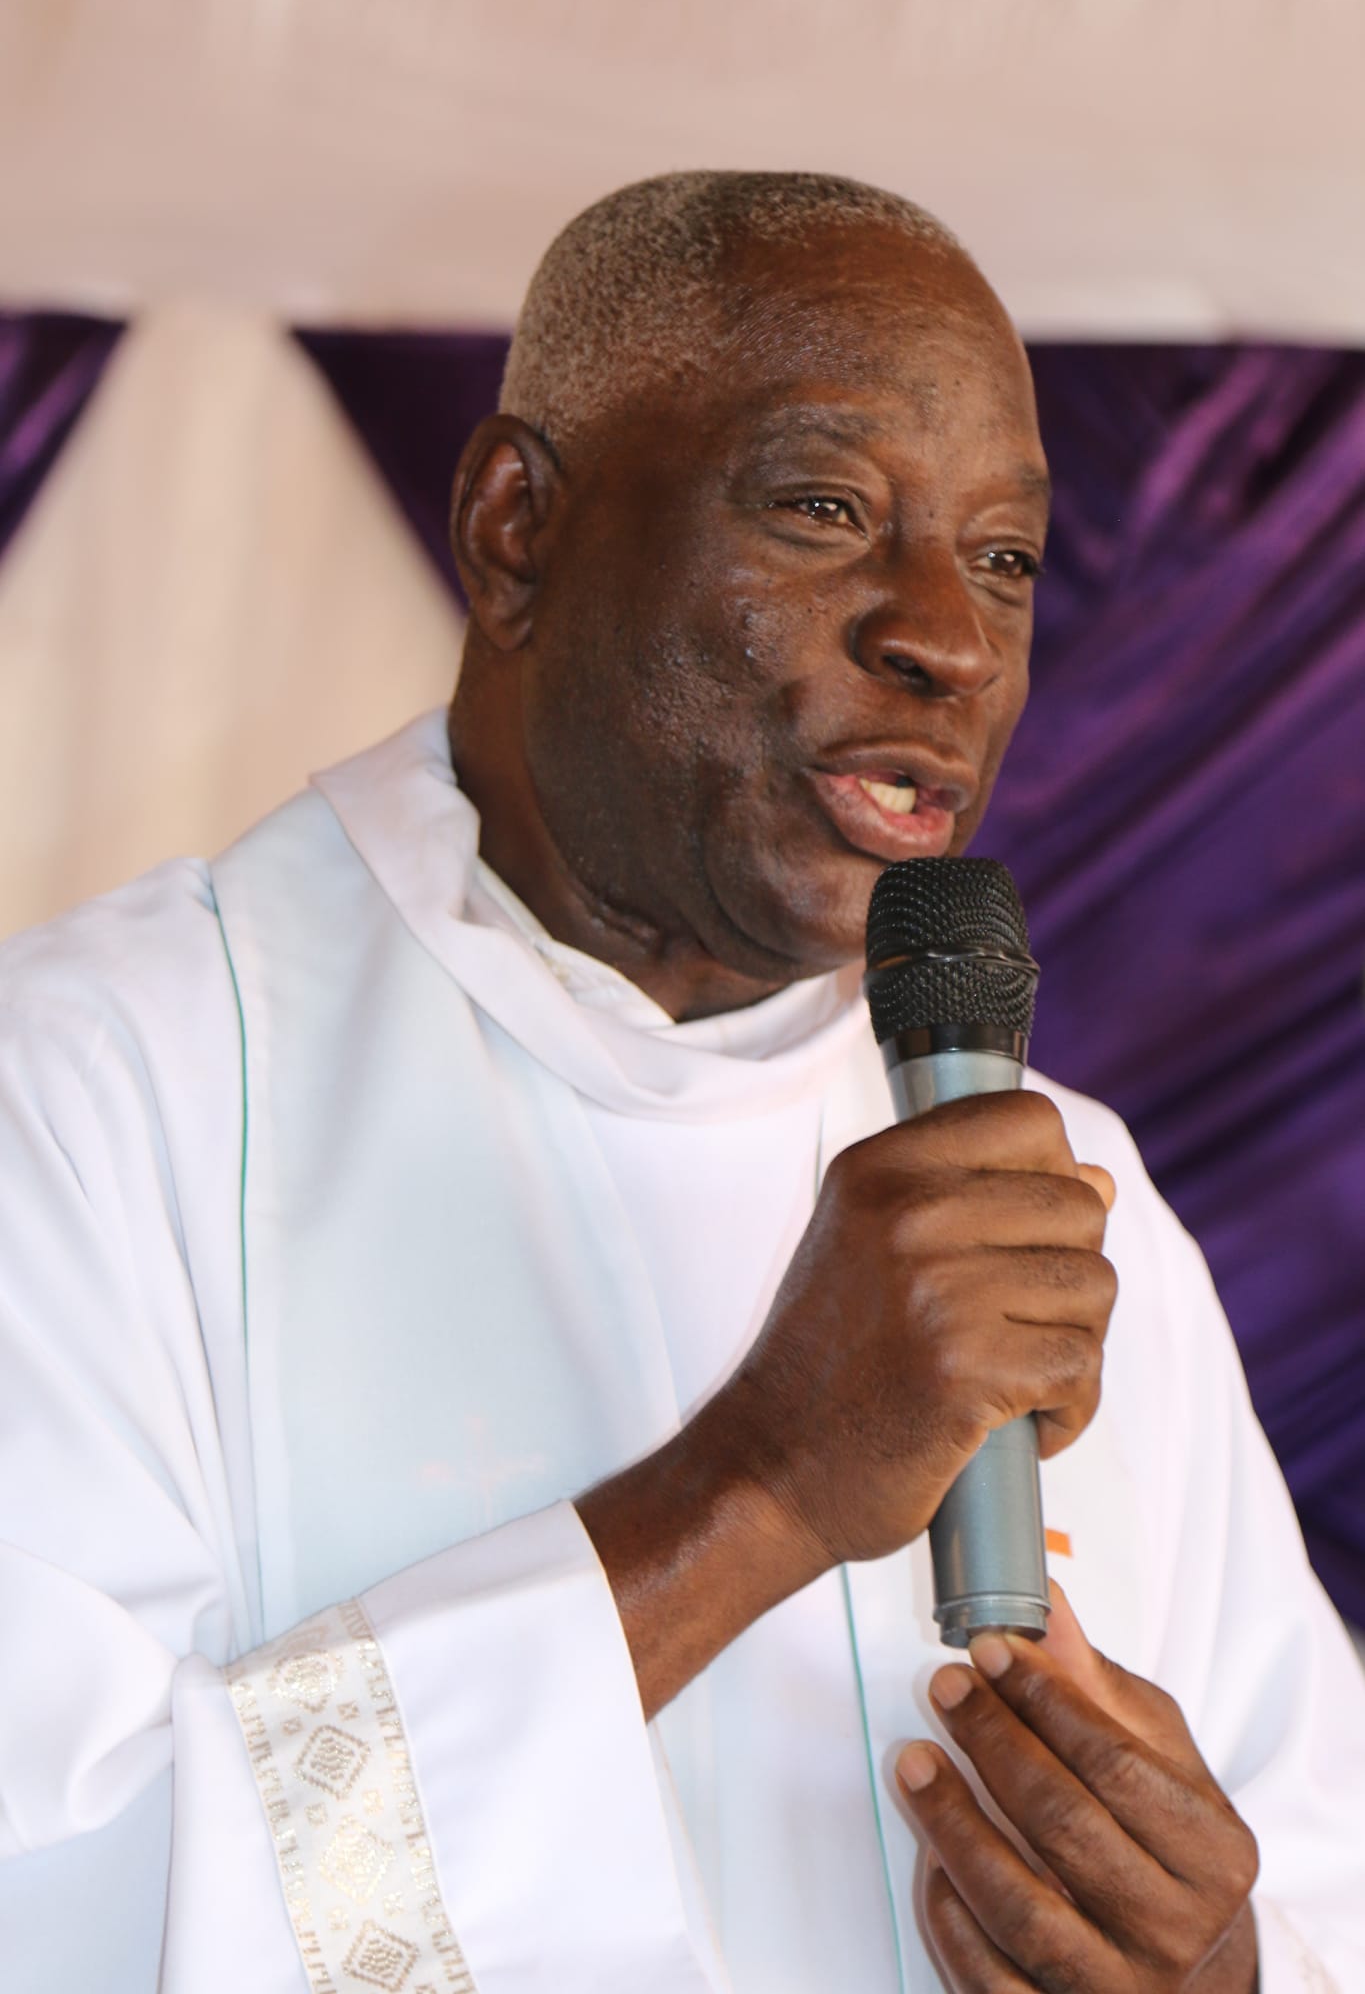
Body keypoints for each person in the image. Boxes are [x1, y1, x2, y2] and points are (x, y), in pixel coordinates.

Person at [1, 171, 1362, 1994]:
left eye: (1006, 559)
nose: (948, 640)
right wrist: (762, 1489)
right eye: (824, 509)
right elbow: (59, 1897)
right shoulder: (95, 1093)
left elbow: (1319, 1871)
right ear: (514, 530)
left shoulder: (1053, 1185)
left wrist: (1216, 1970)